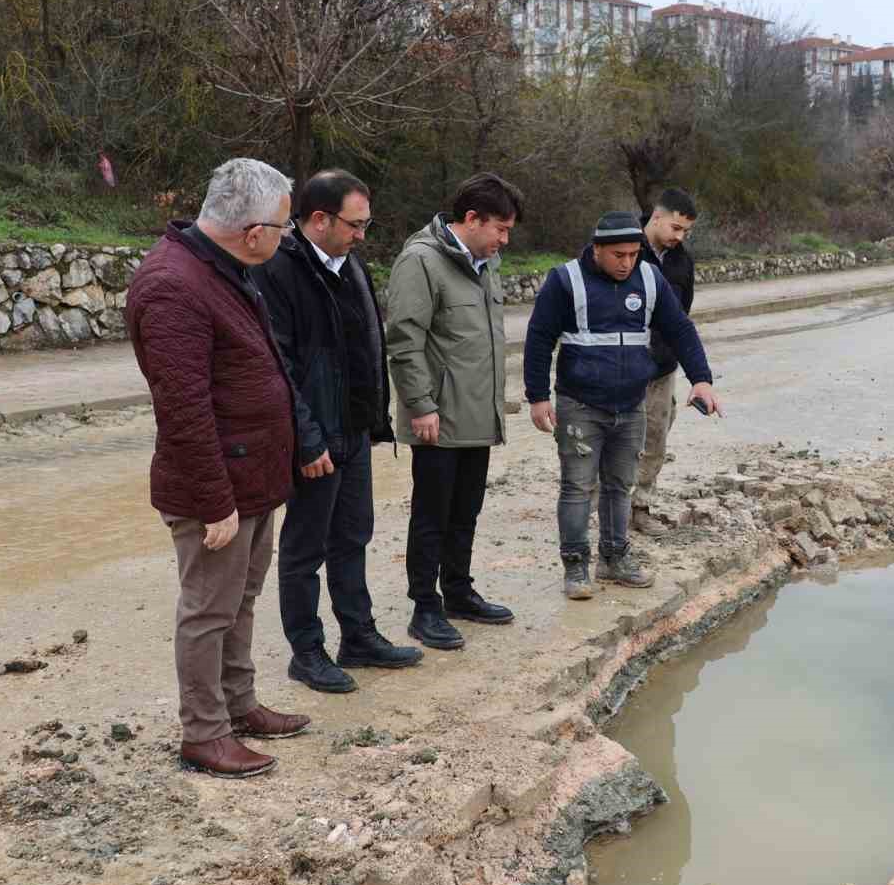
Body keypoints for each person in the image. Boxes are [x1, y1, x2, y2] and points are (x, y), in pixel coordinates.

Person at [125, 157, 311, 780]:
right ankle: (204, 734)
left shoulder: (221, 268)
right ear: (254, 232)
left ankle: (239, 704)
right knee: (208, 610)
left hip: (251, 478)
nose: (287, 237)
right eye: (284, 227)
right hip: (217, 486)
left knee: (241, 599)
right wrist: (215, 502)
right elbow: (183, 408)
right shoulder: (172, 285)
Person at [253, 169, 423, 695]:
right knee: (304, 549)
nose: (362, 235)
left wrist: (374, 420)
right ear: (319, 219)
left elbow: (367, 345)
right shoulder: (278, 270)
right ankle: (306, 652)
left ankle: (359, 636)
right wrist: (307, 439)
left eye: (367, 224)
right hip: (315, 440)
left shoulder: (351, 264)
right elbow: (278, 366)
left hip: (353, 432)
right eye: (355, 224)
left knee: (353, 536)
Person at [524, 211, 722, 600]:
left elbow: (680, 328)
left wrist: (701, 379)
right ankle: (576, 566)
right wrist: (538, 396)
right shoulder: (566, 280)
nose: (627, 263)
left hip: (631, 405)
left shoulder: (649, 278)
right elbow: (539, 337)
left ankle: (614, 558)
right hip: (580, 405)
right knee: (578, 487)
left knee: (620, 485)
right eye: (618, 255)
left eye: (633, 254)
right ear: (597, 249)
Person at [383, 173, 524, 650]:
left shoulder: (487, 264)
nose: (504, 240)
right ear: (472, 218)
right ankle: (425, 606)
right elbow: (404, 340)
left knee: (466, 510)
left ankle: (459, 591)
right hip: (437, 418)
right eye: (500, 229)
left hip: (478, 414)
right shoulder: (421, 261)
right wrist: (421, 405)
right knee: (432, 515)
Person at [632, 189, 700, 534]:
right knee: (613, 437)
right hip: (621, 366)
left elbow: (681, 318)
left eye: (686, 231)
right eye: (676, 228)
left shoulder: (682, 262)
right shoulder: (623, 248)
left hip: (661, 367)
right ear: (656, 217)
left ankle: (639, 507)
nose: (680, 237)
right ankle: (601, 506)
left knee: (655, 438)